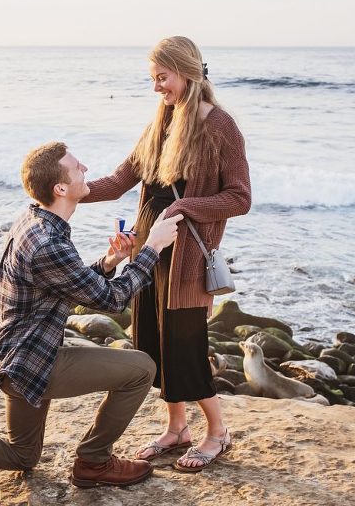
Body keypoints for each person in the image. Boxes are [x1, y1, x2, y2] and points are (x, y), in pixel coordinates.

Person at [0, 141, 183, 504]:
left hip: (15, 356)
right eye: (78, 168)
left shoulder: (34, 221)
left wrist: (110, 262)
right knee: (141, 368)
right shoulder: (49, 243)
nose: (87, 169)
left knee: (23, 454)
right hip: (32, 361)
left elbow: (67, 283)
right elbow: (113, 300)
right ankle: (94, 462)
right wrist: (153, 249)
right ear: (60, 189)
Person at [80, 36, 251, 472]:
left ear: (187, 73)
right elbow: (120, 180)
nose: (157, 87)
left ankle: (217, 432)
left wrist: (183, 206)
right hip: (149, 253)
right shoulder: (161, 122)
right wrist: (66, 193)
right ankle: (177, 429)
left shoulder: (220, 126)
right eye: (153, 78)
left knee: (186, 348)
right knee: (153, 345)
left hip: (188, 261)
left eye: (163, 77)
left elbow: (240, 196)